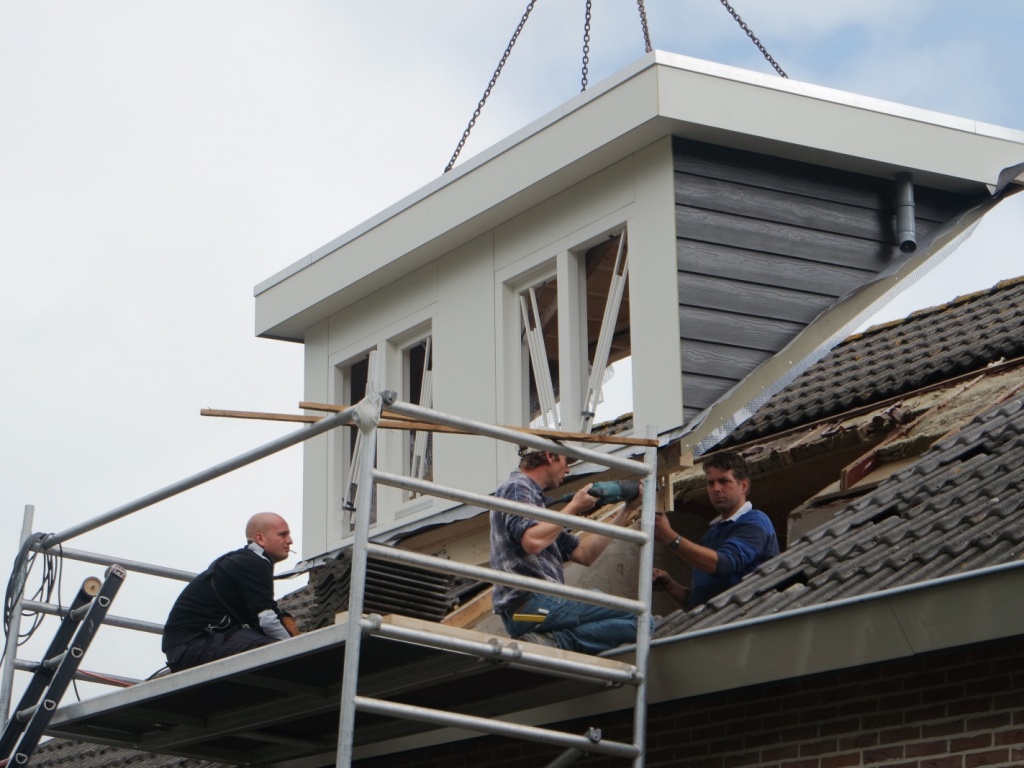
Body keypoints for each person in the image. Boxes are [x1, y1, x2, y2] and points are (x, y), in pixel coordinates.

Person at [490, 445, 645, 654]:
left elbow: (584, 553)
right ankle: (559, 642)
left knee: (637, 621)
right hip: (531, 604)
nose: (568, 470)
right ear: (549, 455)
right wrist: (574, 507)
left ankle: (552, 640)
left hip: (528, 613)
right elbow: (532, 542)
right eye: (566, 462)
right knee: (642, 620)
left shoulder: (539, 511)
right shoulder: (518, 486)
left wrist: (627, 510)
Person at [162, 512, 300, 672]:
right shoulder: (254, 562)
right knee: (278, 651)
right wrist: (295, 646)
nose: (290, 541)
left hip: (185, 646)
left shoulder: (246, 560)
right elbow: (266, 618)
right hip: (192, 645)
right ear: (260, 539)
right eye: (283, 535)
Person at [653, 451, 779, 610]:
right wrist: (670, 586)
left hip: (742, 623)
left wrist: (671, 538)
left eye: (724, 481)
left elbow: (724, 565)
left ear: (744, 485)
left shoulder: (755, 521)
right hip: (711, 625)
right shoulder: (711, 535)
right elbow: (699, 602)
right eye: (711, 483)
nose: (716, 489)